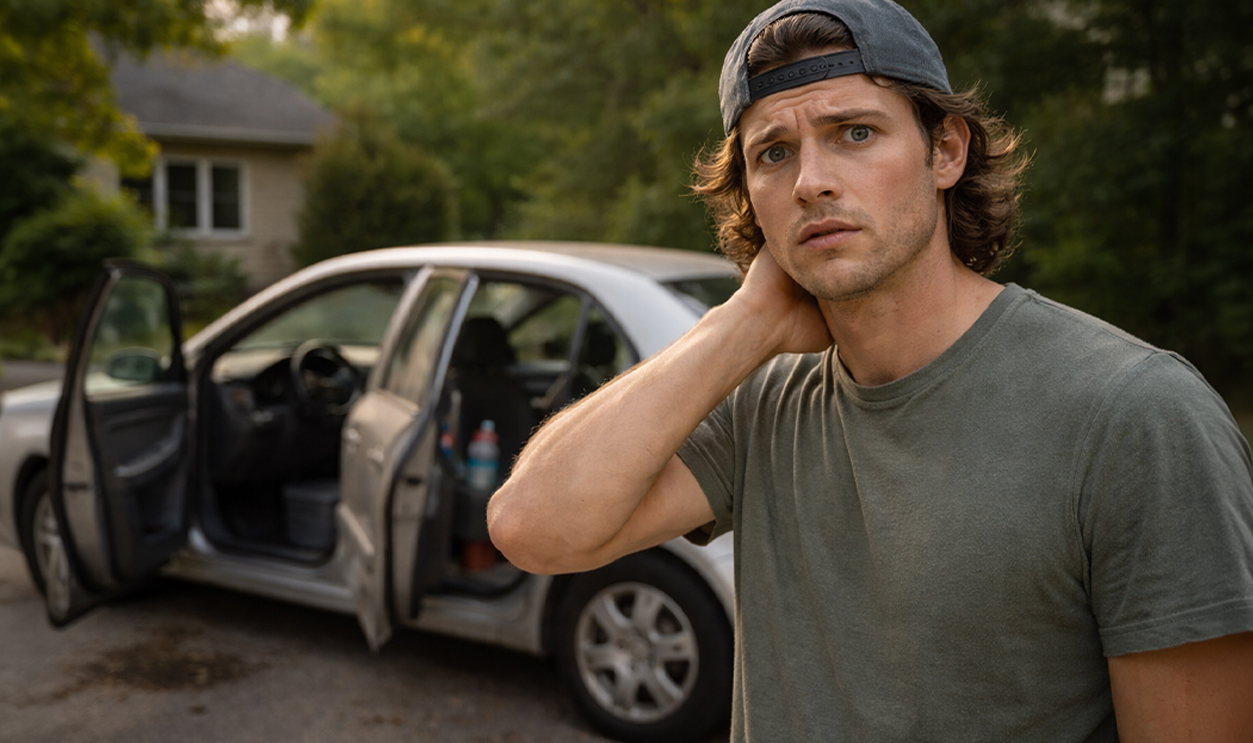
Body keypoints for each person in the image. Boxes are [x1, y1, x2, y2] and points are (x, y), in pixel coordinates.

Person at [487, 0, 1253, 740]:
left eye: (854, 132)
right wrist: (742, 323)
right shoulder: (763, 401)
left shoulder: (1135, 412)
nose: (809, 181)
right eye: (773, 153)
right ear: (750, 200)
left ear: (945, 151)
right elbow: (533, 528)